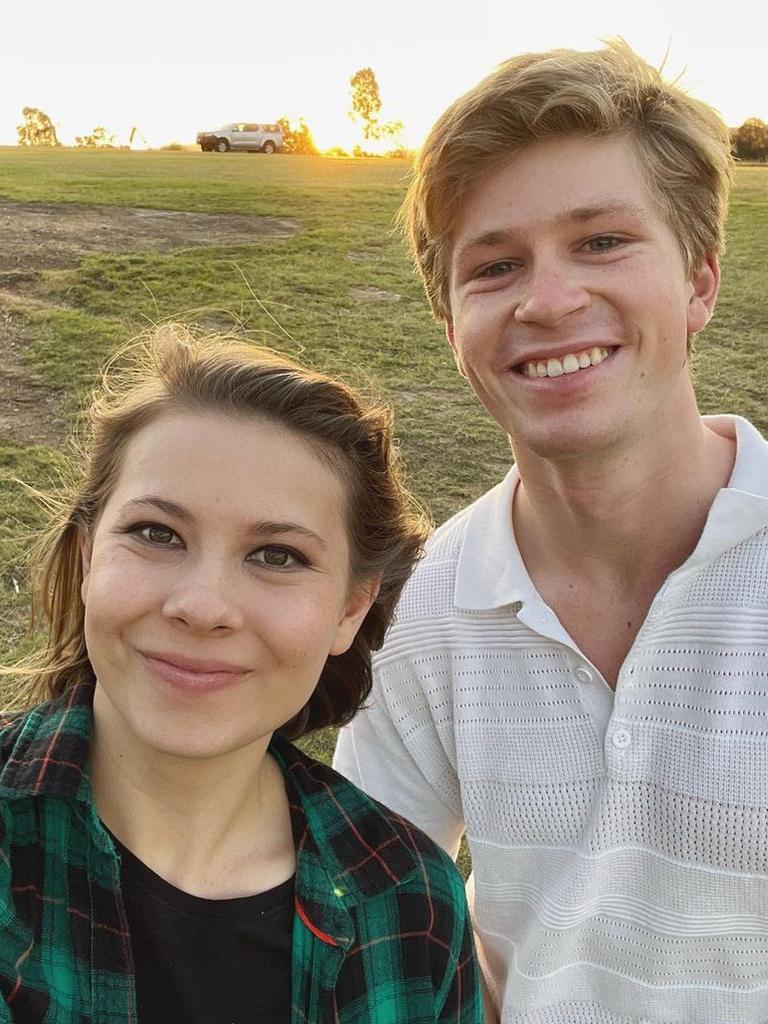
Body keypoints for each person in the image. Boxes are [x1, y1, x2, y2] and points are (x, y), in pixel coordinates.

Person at [334, 40, 768, 1023]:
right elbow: (370, 907)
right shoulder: (430, 606)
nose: (548, 299)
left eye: (602, 241)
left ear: (699, 282)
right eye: (494, 266)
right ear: (453, 326)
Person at [0, 325, 483, 1024]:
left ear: (352, 607)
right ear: (86, 557)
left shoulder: (408, 903)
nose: (201, 607)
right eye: (157, 534)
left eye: (277, 556)